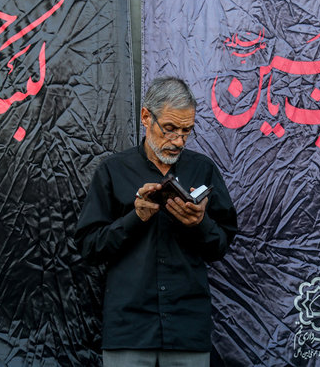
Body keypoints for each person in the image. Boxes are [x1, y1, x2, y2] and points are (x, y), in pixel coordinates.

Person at [75, 77, 237, 367]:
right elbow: (89, 248)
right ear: (146, 117)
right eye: (170, 129)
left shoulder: (203, 170)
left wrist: (200, 223)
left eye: (187, 131)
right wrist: (135, 218)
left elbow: (220, 246)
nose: (178, 141)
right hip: (129, 331)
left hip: (187, 331)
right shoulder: (113, 171)